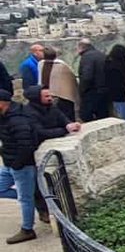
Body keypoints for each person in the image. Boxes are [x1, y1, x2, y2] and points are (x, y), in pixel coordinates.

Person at [25, 85, 81, 222]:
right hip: (32, 152)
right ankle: (42, 210)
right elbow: (40, 132)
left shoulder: (52, 107)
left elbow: (62, 118)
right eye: (46, 96)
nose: (50, 98)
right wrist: (64, 129)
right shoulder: (29, 113)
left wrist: (69, 125)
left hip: (49, 145)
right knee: (36, 186)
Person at [0, 89, 42, 243]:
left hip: (22, 165)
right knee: (9, 191)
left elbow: (26, 146)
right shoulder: (5, 116)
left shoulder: (18, 120)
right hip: (9, 163)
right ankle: (34, 197)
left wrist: (17, 164)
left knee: (25, 199)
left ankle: (27, 229)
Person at [103, 44, 125, 141]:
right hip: (122, 99)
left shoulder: (108, 64)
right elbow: (120, 86)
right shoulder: (115, 69)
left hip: (116, 99)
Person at [43, 47, 80, 122]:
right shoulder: (62, 65)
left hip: (46, 91)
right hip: (63, 96)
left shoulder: (41, 64)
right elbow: (71, 77)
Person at [77, 38, 108, 122]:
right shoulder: (101, 55)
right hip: (104, 91)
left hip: (92, 92)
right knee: (103, 117)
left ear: (81, 47)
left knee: (85, 116)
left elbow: (87, 77)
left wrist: (82, 90)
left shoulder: (87, 57)